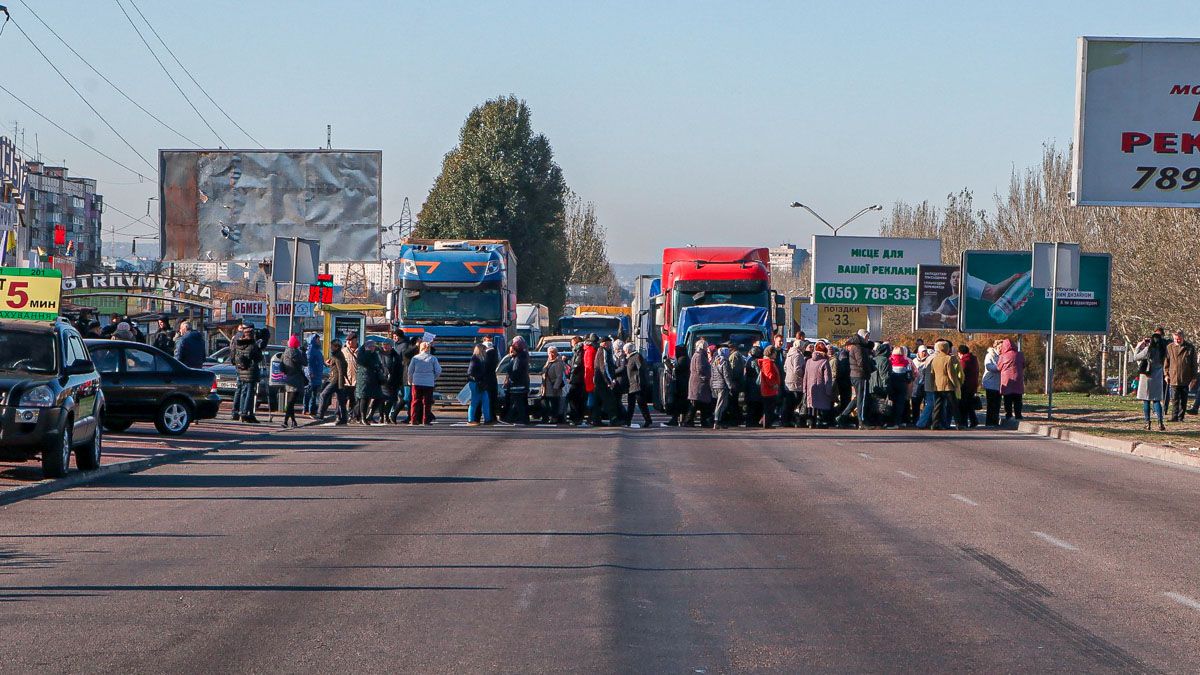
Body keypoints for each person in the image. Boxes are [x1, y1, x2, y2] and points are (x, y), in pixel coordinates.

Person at [1134, 333, 1168, 431]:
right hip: (1157, 377)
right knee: (1157, 400)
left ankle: (1147, 422)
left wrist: (1139, 346)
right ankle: (1160, 422)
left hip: (1147, 376)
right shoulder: (1163, 351)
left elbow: (1136, 357)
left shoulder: (1148, 350)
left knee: (1146, 400)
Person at [232, 325, 263, 423]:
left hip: (241, 371)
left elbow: (233, 357)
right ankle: (246, 412)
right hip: (250, 372)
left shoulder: (239, 344)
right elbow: (259, 358)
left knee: (242, 392)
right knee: (249, 393)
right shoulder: (252, 346)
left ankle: (241, 411)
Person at [1164, 330, 1197, 422]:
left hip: (1186, 377)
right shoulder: (1169, 347)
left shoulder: (1190, 347)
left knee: (1183, 399)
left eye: (1179, 339)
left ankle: (1180, 417)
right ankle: (1174, 417)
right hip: (1173, 377)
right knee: (1174, 399)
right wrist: (1166, 375)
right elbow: (1166, 362)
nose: (1177, 341)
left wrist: (1194, 378)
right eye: (1175, 339)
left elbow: (1194, 364)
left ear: (1183, 337)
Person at [845, 329, 875, 429]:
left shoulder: (858, 346)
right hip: (860, 375)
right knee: (861, 399)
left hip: (856, 374)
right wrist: (869, 370)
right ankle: (861, 422)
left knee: (858, 398)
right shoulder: (858, 347)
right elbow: (861, 362)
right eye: (866, 336)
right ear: (862, 336)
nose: (868, 339)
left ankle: (842, 416)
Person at [928, 341, 960, 430]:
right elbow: (951, 374)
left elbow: (932, 373)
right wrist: (956, 384)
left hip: (937, 386)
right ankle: (958, 423)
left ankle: (935, 424)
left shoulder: (934, 359)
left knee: (937, 406)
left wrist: (932, 385)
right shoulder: (948, 359)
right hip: (947, 386)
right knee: (954, 406)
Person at [408, 341, 442, 425]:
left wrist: (410, 380)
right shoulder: (433, 358)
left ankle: (413, 419)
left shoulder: (415, 358)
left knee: (415, 401)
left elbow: (410, 370)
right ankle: (425, 420)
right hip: (428, 383)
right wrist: (433, 378)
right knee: (427, 402)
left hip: (416, 382)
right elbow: (438, 370)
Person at [803, 341, 835, 428]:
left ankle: (811, 422)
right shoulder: (824, 361)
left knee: (812, 405)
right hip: (821, 388)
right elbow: (827, 378)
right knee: (821, 405)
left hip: (811, 387)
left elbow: (805, 376)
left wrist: (804, 388)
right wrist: (829, 390)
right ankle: (820, 422)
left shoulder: (809, 361)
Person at [623, 343, 654, 428]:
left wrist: (640, 382)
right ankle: (627, 421)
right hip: (632, 385)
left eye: (625, 350)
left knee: (641, 403)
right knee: (631, 404)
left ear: (629, 350)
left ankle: (648, 420)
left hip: (637, 385)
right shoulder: (630, 358)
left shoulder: (636, 356)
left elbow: (641, 369)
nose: (624, 352)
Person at [280, 335, 308, 428]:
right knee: (291, 402)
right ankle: (285, 421)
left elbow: (281, 367)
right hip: (297, 380)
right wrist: (303, 352)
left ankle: (293, 421)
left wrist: (287, 372)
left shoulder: (284, 353)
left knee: (290, 402)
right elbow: (305, 363)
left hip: (288, 380)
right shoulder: (297, 353)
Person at [319, 339, 350, 425]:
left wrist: (340, 384)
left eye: (332, 346)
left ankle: (320, 414)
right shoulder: (336, 355)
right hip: (336, 380)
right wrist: (329, 363)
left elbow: (340, 370)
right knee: (341, 400)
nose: (330, 347)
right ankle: (343, 418)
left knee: (323, 395)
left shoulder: (338, 356)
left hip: (336, 380)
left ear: (337, 347)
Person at [353, 341, 384, 425]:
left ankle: (370, 415)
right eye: (371, 346)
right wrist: (367, 352)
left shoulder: (375, 354)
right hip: (364, 379)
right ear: (367, 347)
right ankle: (363, 418)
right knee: (364, 398)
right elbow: (362, 362)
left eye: (374, 346)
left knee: (379, 397)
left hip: (374, 379)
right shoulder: (362, 353)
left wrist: (380, 368)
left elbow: (378, 363)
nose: (373, 348)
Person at [684, 339, 712, 427]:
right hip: (699, 383)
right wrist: (706, 378)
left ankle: (698, 421)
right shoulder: (700, 356)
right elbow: (700, 369)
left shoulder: (697, 355)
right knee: (697, 404)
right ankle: (689, 421)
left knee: (699, 404)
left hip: (697, 383)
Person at [997, 338, 1026, 422]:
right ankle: (1018, 415)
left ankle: (1009, 414)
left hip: (1007, 379)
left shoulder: (1003, 356)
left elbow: (999, 367)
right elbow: (1023, 365)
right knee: (1018, 398)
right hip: (1018, 379)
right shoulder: (1020, 355)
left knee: (1007, 399)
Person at [506, 336, 531, 424]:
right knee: (521, 402)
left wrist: (511, 377)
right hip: (522, 383)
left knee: (518, 402)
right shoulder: (523, 355)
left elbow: (515, 370)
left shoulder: (519, 358)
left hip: (518, 384)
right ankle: (521, 419)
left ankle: (516, 419)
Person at [885, 346, 912, 429]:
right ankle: (898, 421)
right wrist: (907, 382)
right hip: (902, 384)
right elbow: (909, 375)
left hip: (892, 384)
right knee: (900, 403)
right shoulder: (906, 361)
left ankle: (890, 422)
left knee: (891, 402)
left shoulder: (890, 360)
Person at [467, 343, 493, 426]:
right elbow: (470, 372)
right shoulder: (475, 359)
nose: (485, 351)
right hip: (476, 383)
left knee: (486, 400)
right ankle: (470, 420)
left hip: (481, 383)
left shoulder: (481, 359)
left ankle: (487, 419)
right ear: (481, 350)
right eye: (484, 350)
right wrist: (479, 378)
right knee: (474, 401)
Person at [378, 340, 404, 424]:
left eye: (387, 345)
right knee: (381, 399)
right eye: (383, 344)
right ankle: (382, 416)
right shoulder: (379, 354)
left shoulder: (395, 356)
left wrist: (399, 381)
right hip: (381, 380)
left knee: (392, 399)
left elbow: (399, 369)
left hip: (393, 381)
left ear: (391, 346)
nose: (384, 346)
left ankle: (386, 414)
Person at [541, 345, 568, 424]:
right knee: (544, 403)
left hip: (553, 388)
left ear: (556, 353)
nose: (551, 354)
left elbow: (559, 377)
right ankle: (545, 418)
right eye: (550, 353)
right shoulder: (548, 362)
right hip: (546, 388)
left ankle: (554, 418)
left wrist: (556, 387)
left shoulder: (558, 363)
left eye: (553, 353)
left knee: (554, 404)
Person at [783, 340, 806, 428]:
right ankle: (790, 420)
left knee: (788, 403)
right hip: (796, 382)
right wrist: (804, 375)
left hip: (788, 381)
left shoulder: (789, 354)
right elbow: (797, 369)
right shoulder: (798, 355)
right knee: (795, 402)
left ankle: (785, 420)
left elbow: (785, 367)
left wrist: (789, 373)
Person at [709, 346, 733, 430]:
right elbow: (726, 375)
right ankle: (716, 422)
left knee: (720, 404)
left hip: (715, 385)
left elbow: (712, 374)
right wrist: (730, 386)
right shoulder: (725, 362)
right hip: (722, 385)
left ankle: (718, 420)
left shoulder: (714, 361)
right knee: (721, 404)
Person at [758, 346, 782, 429]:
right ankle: (767, 423)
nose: (776, 354)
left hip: (769, 388)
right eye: (774, 352)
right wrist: (773, 384)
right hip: (769, 389)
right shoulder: (767, 362)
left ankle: (765, 421)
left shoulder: (769, 362)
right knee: (769, 407)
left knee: (769, 406)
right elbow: (769, 375)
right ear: (771, 353)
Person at [957, 345, 980, 429]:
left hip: (965, 385)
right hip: (973, 385)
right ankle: (974, 420)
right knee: (969, 404)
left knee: (963, 405)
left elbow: (961, 373)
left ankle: (964, 422)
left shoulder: (964, 361)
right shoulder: (974, 359)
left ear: (960, 353)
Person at [567, 336, 587, 425]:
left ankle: (576, 417)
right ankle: (578, 417)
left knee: (574, 398)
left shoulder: (579, 350)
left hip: (577, 379)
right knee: (578, 399)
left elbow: (577, 364)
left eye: (572, 342)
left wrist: (572, 372)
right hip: (579, 378)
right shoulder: (578, 351)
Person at [303, 334, 325, 418]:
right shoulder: (311, 350)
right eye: (318, 339)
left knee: (315, 393)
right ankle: (306, 409)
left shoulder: (318, 350)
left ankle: (312, 410)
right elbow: (308, 362)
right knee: (309, 391)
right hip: (312, 375)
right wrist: (310, 372)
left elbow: (319, 361)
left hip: (317, 374)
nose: (319, 341)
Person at [982, 342, 1002, 427]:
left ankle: (995, 421)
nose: (1001, 349)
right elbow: (988, 366)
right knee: (991, 404)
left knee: (998, 404)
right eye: (1000, 347)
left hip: (999, 384)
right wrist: (999, 367)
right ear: (996, 347)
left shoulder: (1003, 356)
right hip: (990, 383)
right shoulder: (990, 355)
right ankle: (989, 422)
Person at [743, 345, 764, 426]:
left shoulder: (748, 360)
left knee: (751, 405)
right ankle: (753, 422)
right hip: (755, 385)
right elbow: (759, 373)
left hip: (749, 384)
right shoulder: (754, 361)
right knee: (755, 405)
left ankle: (750, 421)